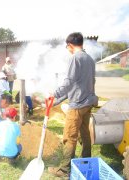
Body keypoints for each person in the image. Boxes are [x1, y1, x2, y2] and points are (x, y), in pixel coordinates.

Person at [47, 32, 98, 177]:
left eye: (66, 46)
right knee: (85, 134)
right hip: (88, 103)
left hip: (77, 105)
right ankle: (87, 162)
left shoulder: (75, 58)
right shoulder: (90, 59)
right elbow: (89, 82)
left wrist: (54, 94)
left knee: (69, 137)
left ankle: (64, 170)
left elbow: (68, 82)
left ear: (70, 45)